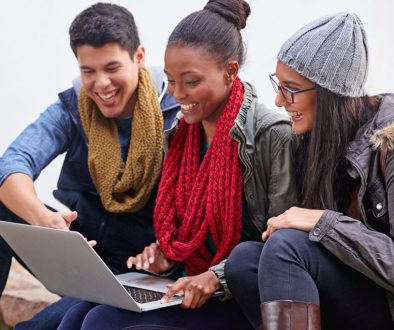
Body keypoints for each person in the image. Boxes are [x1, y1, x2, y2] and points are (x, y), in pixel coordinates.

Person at [56, 0, 298, 329]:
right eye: (170, 80)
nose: (177, 93)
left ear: (229, 72)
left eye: (191, 81)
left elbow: (279, 246)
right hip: (189, 286)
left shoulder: (273, 136)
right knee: (83, 317)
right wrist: (166, 259)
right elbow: (192, 234)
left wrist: (215, 277)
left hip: (238, 297)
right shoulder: (180, 136)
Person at [0, 3, 180, 329]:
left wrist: (168, 255)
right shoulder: (73, 106)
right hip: (84, 252)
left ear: (138, 56)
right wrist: (44, 220)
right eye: (88, 71)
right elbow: (12, 163)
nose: (101, 84)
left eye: (112, 68)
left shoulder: (178, 112)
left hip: (141, 270)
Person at [225, 12, 394, 330]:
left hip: (385, 305)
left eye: (291, 88)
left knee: (286, 246)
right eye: (278, 84)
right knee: (245, 260)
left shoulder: (389, 141)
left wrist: (323, 221)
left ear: (331, 94)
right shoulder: (315, 140)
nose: (278, 100)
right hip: (352, 294)